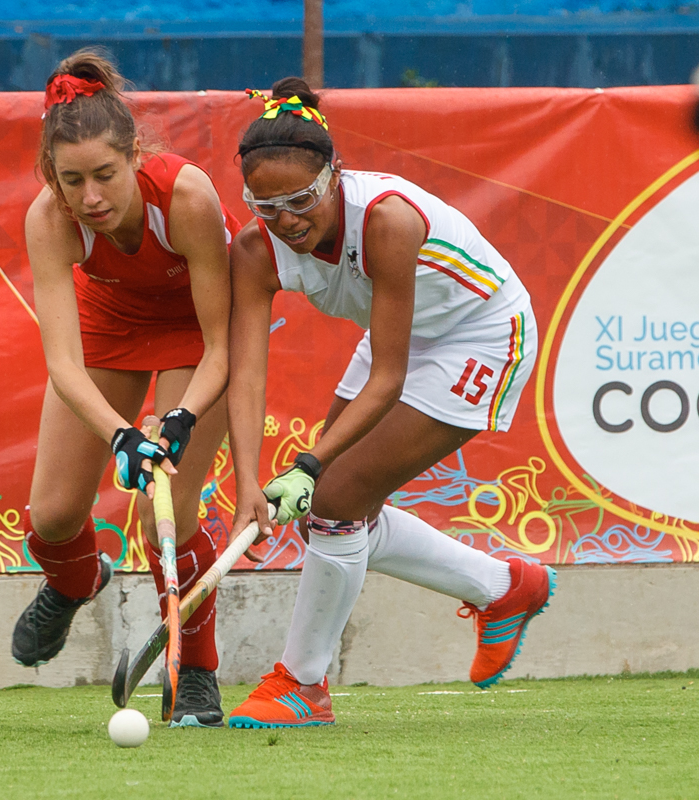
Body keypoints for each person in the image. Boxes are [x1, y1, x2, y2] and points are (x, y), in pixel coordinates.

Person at [224, 80, 556, 728]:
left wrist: (308, 466)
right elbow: (246, 373)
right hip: (400, 335)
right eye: (266, 205)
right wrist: (247, 485)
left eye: (301, 199)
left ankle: (301, 686)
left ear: (333, 176)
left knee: (333, 497)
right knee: (333, 508)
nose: (286, 220)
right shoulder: (253, 251)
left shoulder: (386, 219)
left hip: (482, 334)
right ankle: (504, 588)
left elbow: (390, 376)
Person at [9, 49, 241, 728]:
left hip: (197, 337)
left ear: (136, 155)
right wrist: (121, 433)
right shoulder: (50, 220)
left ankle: (196, 674)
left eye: (106, 176)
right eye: (72, 180)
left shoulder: (189, 197)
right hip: (112, 326)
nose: (92, 199)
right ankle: (77, 580)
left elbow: (224, 345)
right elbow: (64, 366)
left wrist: (178, 419)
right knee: (51, 517)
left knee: (165, 513)